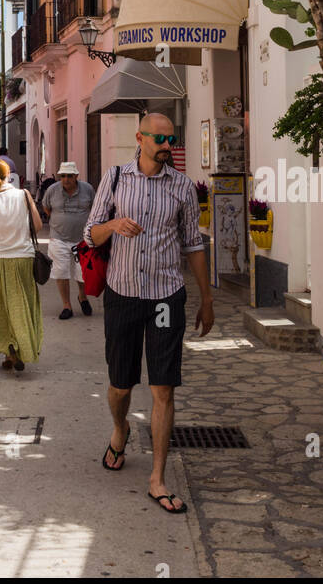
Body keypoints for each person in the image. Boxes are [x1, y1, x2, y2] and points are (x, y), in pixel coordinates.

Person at [83, 113, 214, 515]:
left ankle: (157, 477)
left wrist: (206, 299)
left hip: (164, 298)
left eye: (170, 138)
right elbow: (90, 233)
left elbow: (193, 243)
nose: (166, 145)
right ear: (139, 138)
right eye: (159, 138)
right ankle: (120, 428)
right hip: (122, 294)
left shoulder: (182, 188)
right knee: (121, 385)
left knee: (163, 387)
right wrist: (113, 225)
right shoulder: (116, 178)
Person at [0, 158, 44, 370]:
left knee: (1, 308)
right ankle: (19, 349)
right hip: (24, 257)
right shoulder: (23, 194)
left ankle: (10, 351)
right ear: (9, 175)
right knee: (22, 305)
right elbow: (38, 226)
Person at [42, 161, 95, 320]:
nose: (66, 179)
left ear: (76, 176)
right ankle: (67, 305)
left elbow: (95, 208)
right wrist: (59, 221)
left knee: (83, 273)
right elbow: (46, 207)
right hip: (58, 237)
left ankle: (82, 297)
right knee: (61, 272)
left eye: (69, 176)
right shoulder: (52, 190)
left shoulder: (87, 189)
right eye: (63, 176)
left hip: (83, 239)